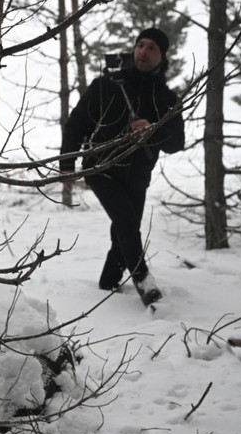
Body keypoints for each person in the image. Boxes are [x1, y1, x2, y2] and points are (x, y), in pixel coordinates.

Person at [59, 28, 185, 306]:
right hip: (101, 169)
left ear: (162, 57)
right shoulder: (106, 85)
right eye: (140, 44)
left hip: (138, 175)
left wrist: (154, 130)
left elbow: (177, 142)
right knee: (127, 223)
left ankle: (107, 284)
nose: (143, 51)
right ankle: (143, 279)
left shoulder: (166, 98)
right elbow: (76, 124)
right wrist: (67, 163)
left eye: (152, 47)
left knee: (124, 231)